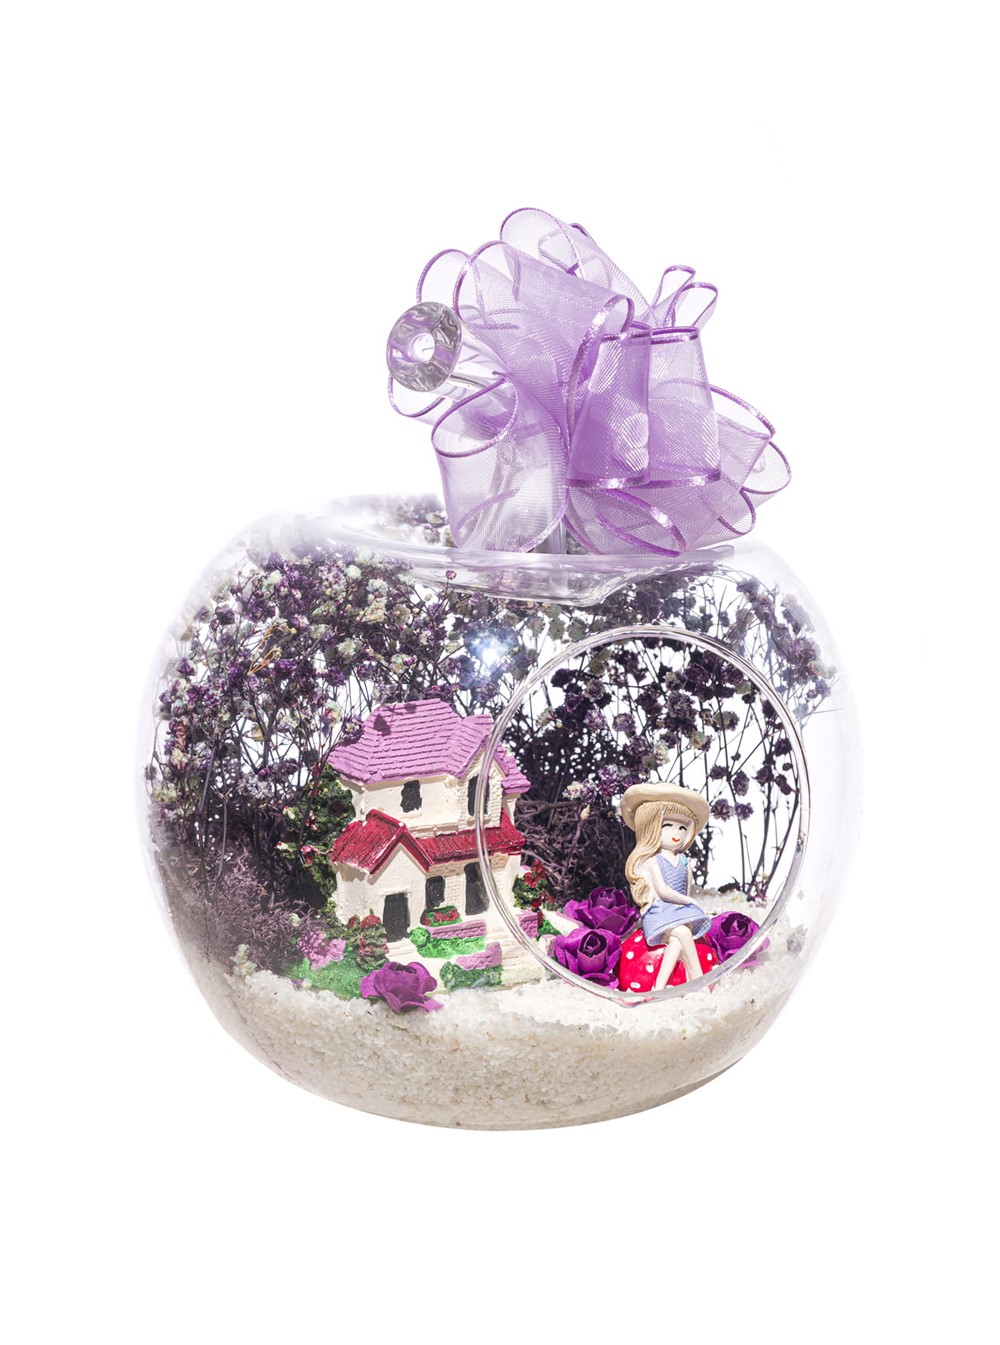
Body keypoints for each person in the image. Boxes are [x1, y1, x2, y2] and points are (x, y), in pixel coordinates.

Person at [621, 782, 711, 990]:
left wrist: (687, 905)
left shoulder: (684, 862)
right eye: (667, 825)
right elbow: (662, 891)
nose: (676, 833)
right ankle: (698, 981)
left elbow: (686, 887)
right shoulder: (653, 861)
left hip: (680, 911)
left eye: (682, 827)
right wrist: (688, 901)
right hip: (659, 911)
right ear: (651, 827)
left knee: (678, 941)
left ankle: (659, 987)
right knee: (683, 934)